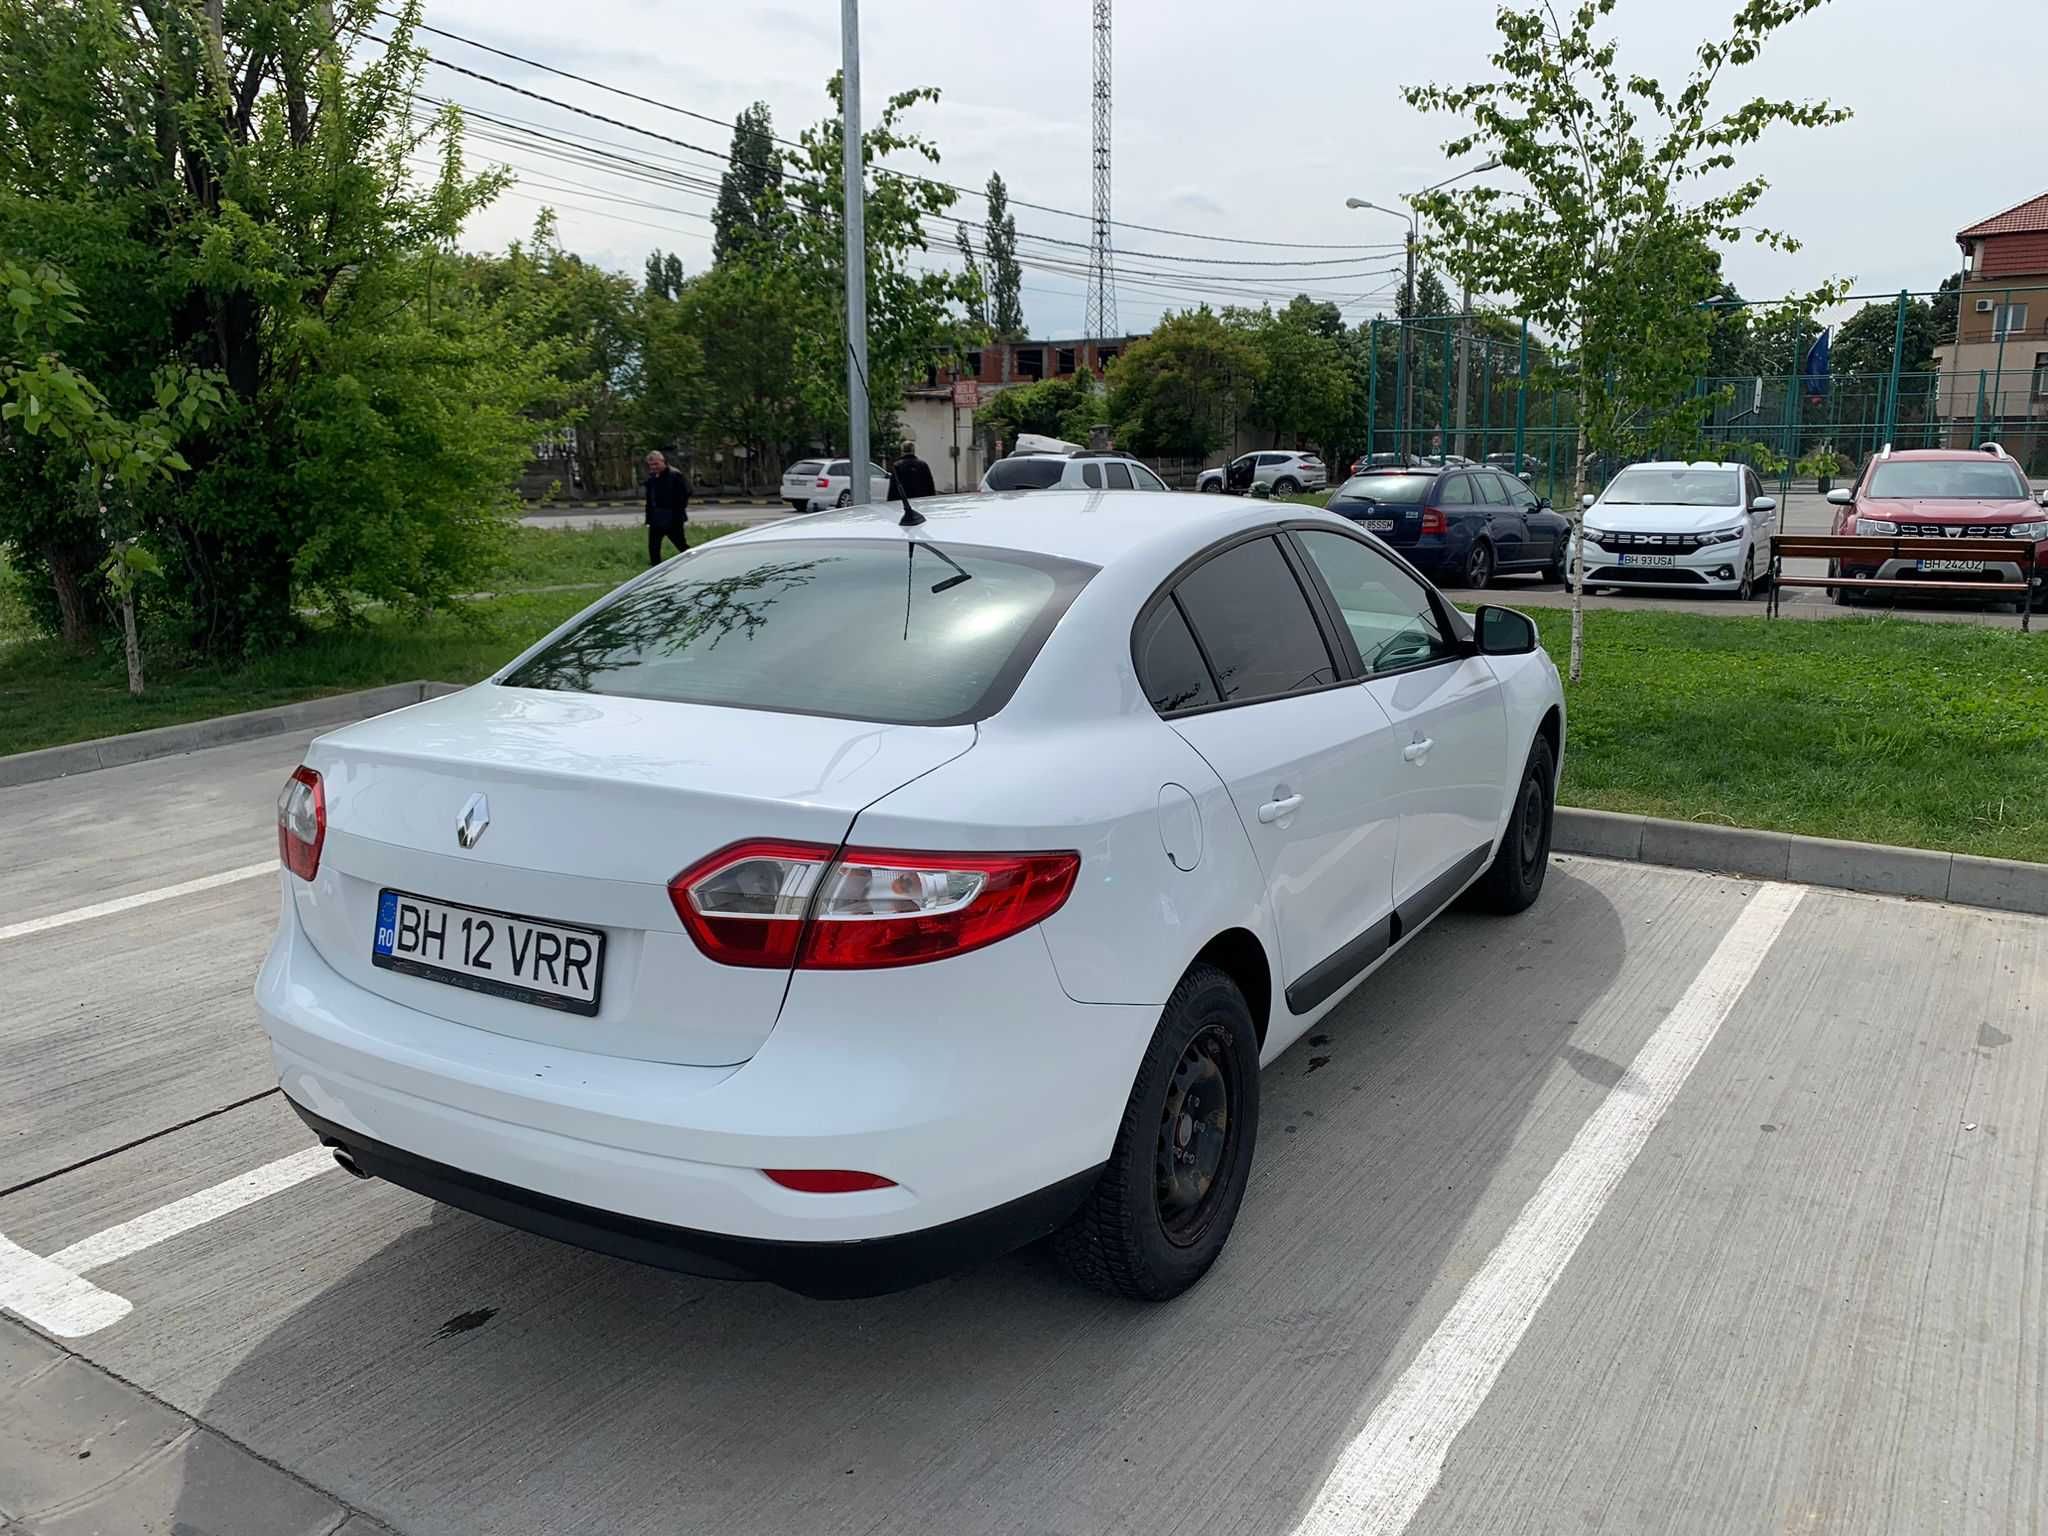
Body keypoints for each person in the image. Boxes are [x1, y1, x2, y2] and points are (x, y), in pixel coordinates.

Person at [643, 450, 690, 565]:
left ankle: (694, 563)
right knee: (653, 548)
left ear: (662, 461)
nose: (654, 467)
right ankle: (655, 571)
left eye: (656, 464)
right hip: (656, 519)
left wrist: (676, 511)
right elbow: (650, 500)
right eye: (651, 465)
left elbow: (686, 494)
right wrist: (649, 518)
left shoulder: (675, 475)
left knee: (681, 545)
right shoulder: (652, 478)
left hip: (673, 518)